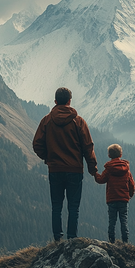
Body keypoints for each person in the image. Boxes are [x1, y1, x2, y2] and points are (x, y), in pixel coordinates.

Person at [33, 87, 98, 241]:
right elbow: (88, 147)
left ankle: (57, 239)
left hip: (55, 170)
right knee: (73, 208)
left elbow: (37, 144)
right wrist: (92, 168)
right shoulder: (79, 121)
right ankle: (72, 239)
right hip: (75, 170)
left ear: (55, 101)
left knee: (56, 206)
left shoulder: (46, 120)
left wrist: (48, 158)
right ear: (70, 101)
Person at [94, 144, 135, 243]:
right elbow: (131, 184)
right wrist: (130, 194)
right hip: (123, 199)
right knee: (123, 221)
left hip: (112, 199)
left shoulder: (109, 169)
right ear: (121, 154)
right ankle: (125, 242)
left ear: (109, 155)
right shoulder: (126, 169)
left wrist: (95, 173)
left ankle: (111, 241)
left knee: (112, 221)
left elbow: (100, 180)